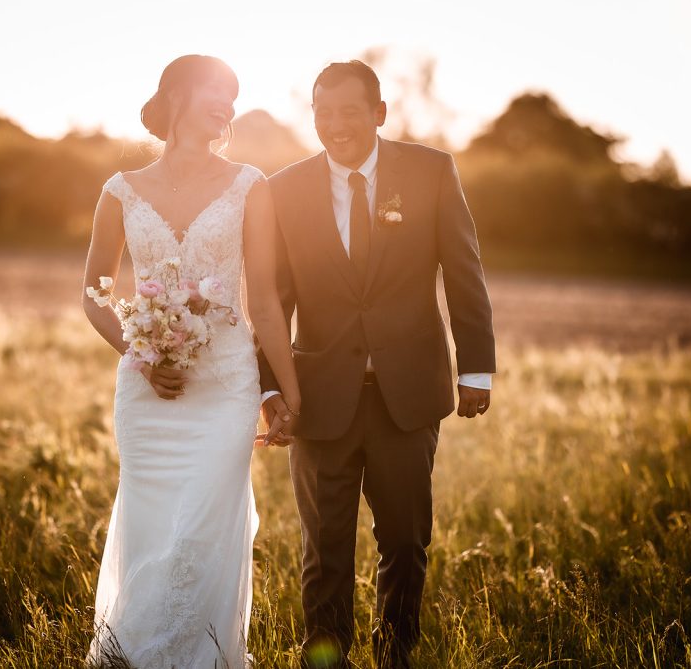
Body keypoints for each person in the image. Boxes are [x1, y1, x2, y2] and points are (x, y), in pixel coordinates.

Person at [257, 60, 496, 669]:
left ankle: (396, 659)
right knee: (324, 551)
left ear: (380, 113)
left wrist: (475, 369)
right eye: (323, 111)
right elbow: (271, 300)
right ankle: (327, 661)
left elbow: (463, 272)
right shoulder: (282, 189)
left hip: (407, 396)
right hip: (318, 398)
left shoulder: (430, 171)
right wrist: (268, 389)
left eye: (349, 111)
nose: (335, 125)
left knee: (407, 544)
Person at [82, 54, 300, 669]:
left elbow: (263, 296)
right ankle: (135, 653)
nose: (226, 105)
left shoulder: (250, 184)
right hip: (147, 394)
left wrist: (287, 388)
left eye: (233, 97)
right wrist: (140, 353)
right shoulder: (120, 191)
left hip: (226, 386)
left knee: (203, 529)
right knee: (151, 526)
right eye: (215, 91)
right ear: (175, 95)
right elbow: (95, 293)